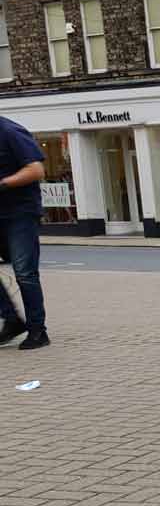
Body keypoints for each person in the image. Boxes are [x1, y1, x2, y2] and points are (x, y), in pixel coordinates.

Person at [0, 115, 48, 349]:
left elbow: (36, 169)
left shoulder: (10, 131)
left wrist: (2, 183)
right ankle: (12, 320)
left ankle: (38, 331)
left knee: (25, 273)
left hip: (20, 214)